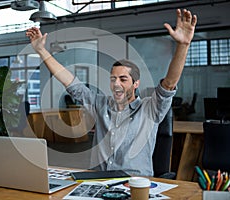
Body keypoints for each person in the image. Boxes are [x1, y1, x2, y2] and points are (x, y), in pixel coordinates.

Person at [26, 9, 197, 176]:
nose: (116, 84)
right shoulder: (100, 104)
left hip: (134, 182)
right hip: (98, 180)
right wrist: (42, 51)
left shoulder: (150, 108)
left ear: (135, 83)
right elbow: (69, 81)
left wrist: (183, 45)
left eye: (123, 79)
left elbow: (169, 83)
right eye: (113, 79)